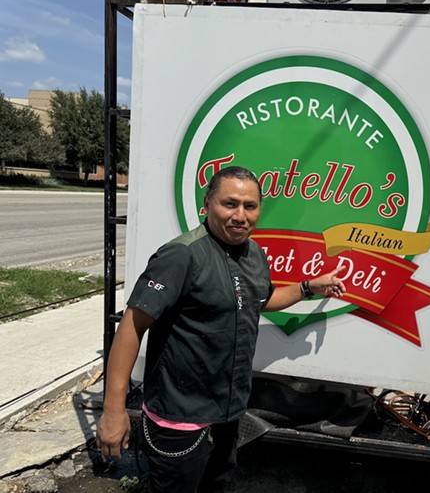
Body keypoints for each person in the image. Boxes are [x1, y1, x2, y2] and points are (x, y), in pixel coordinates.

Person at [96, 165, 346, 492]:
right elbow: (132, 326)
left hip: (226, 414)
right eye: (229, 204)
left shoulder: (253, 253)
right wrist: (113, 410)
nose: (240, 215)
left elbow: (261, 298)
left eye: (250, 206)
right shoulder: (181, 255)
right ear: (207, 204)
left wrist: (309, 287)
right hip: (179, 418)